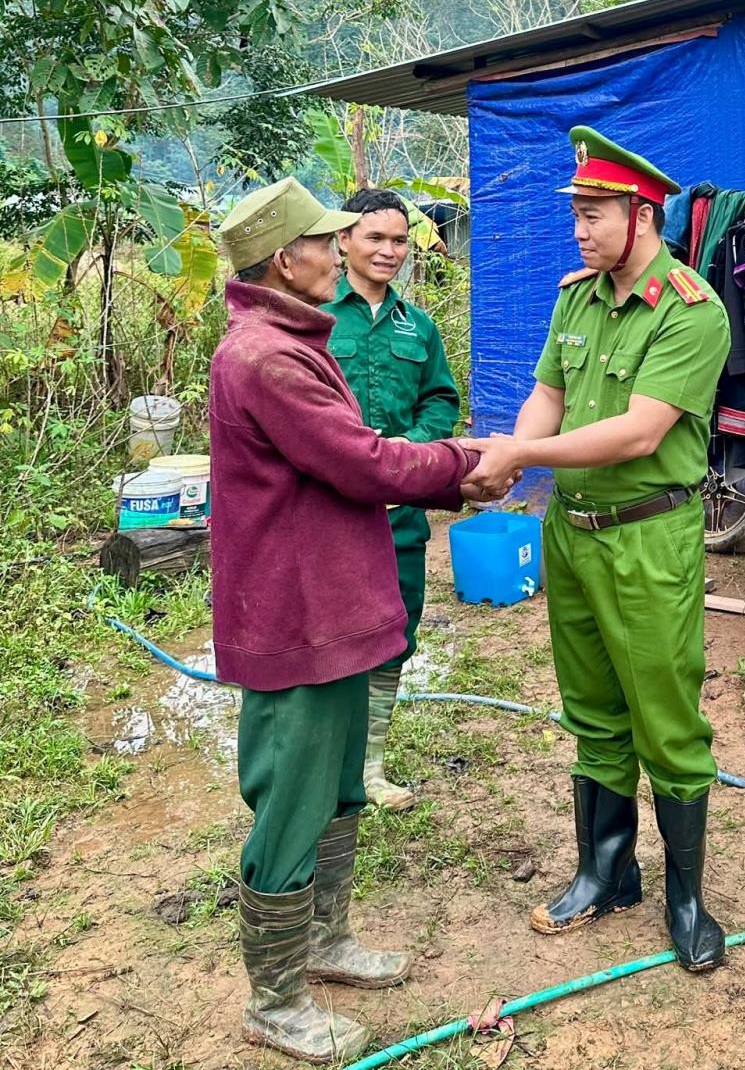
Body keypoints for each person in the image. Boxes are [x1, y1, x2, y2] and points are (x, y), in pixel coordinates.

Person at [210, 177, 501, 1063]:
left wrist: (444, 454)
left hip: (331, 601)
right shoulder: (265, 356)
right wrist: (462, 467)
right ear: (283, 260)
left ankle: (326, 941)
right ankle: (274, 997)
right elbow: (358, 459)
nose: (337, 253)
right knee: (293, 801)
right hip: (295, 615)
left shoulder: (301, 339)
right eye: (324, 242)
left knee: (339, 786)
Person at [461, 126, 732, 972]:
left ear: (642, 215)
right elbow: (550, 392)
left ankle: (688, 900)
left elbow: (636, 432)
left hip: (648, 537)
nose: (579, 229)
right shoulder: (576, 297)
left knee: (666, 716)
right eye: (575, 213)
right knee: (592, 710)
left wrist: (519, 455)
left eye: (593, 212)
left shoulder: (693, 308)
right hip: (572, 534)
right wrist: (511, 457)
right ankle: (606, 870)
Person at [324, 187, 461, 811]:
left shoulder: (418, 325)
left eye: (400, 240)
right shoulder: (316, 314)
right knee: (329, 631)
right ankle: (327, 767)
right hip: (329, 510)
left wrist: (411, 448)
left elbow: (441, 399)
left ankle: (369, 768)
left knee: (394, 631)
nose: (389, 250)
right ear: (344, 240)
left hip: (400, 515)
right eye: (374, 237)